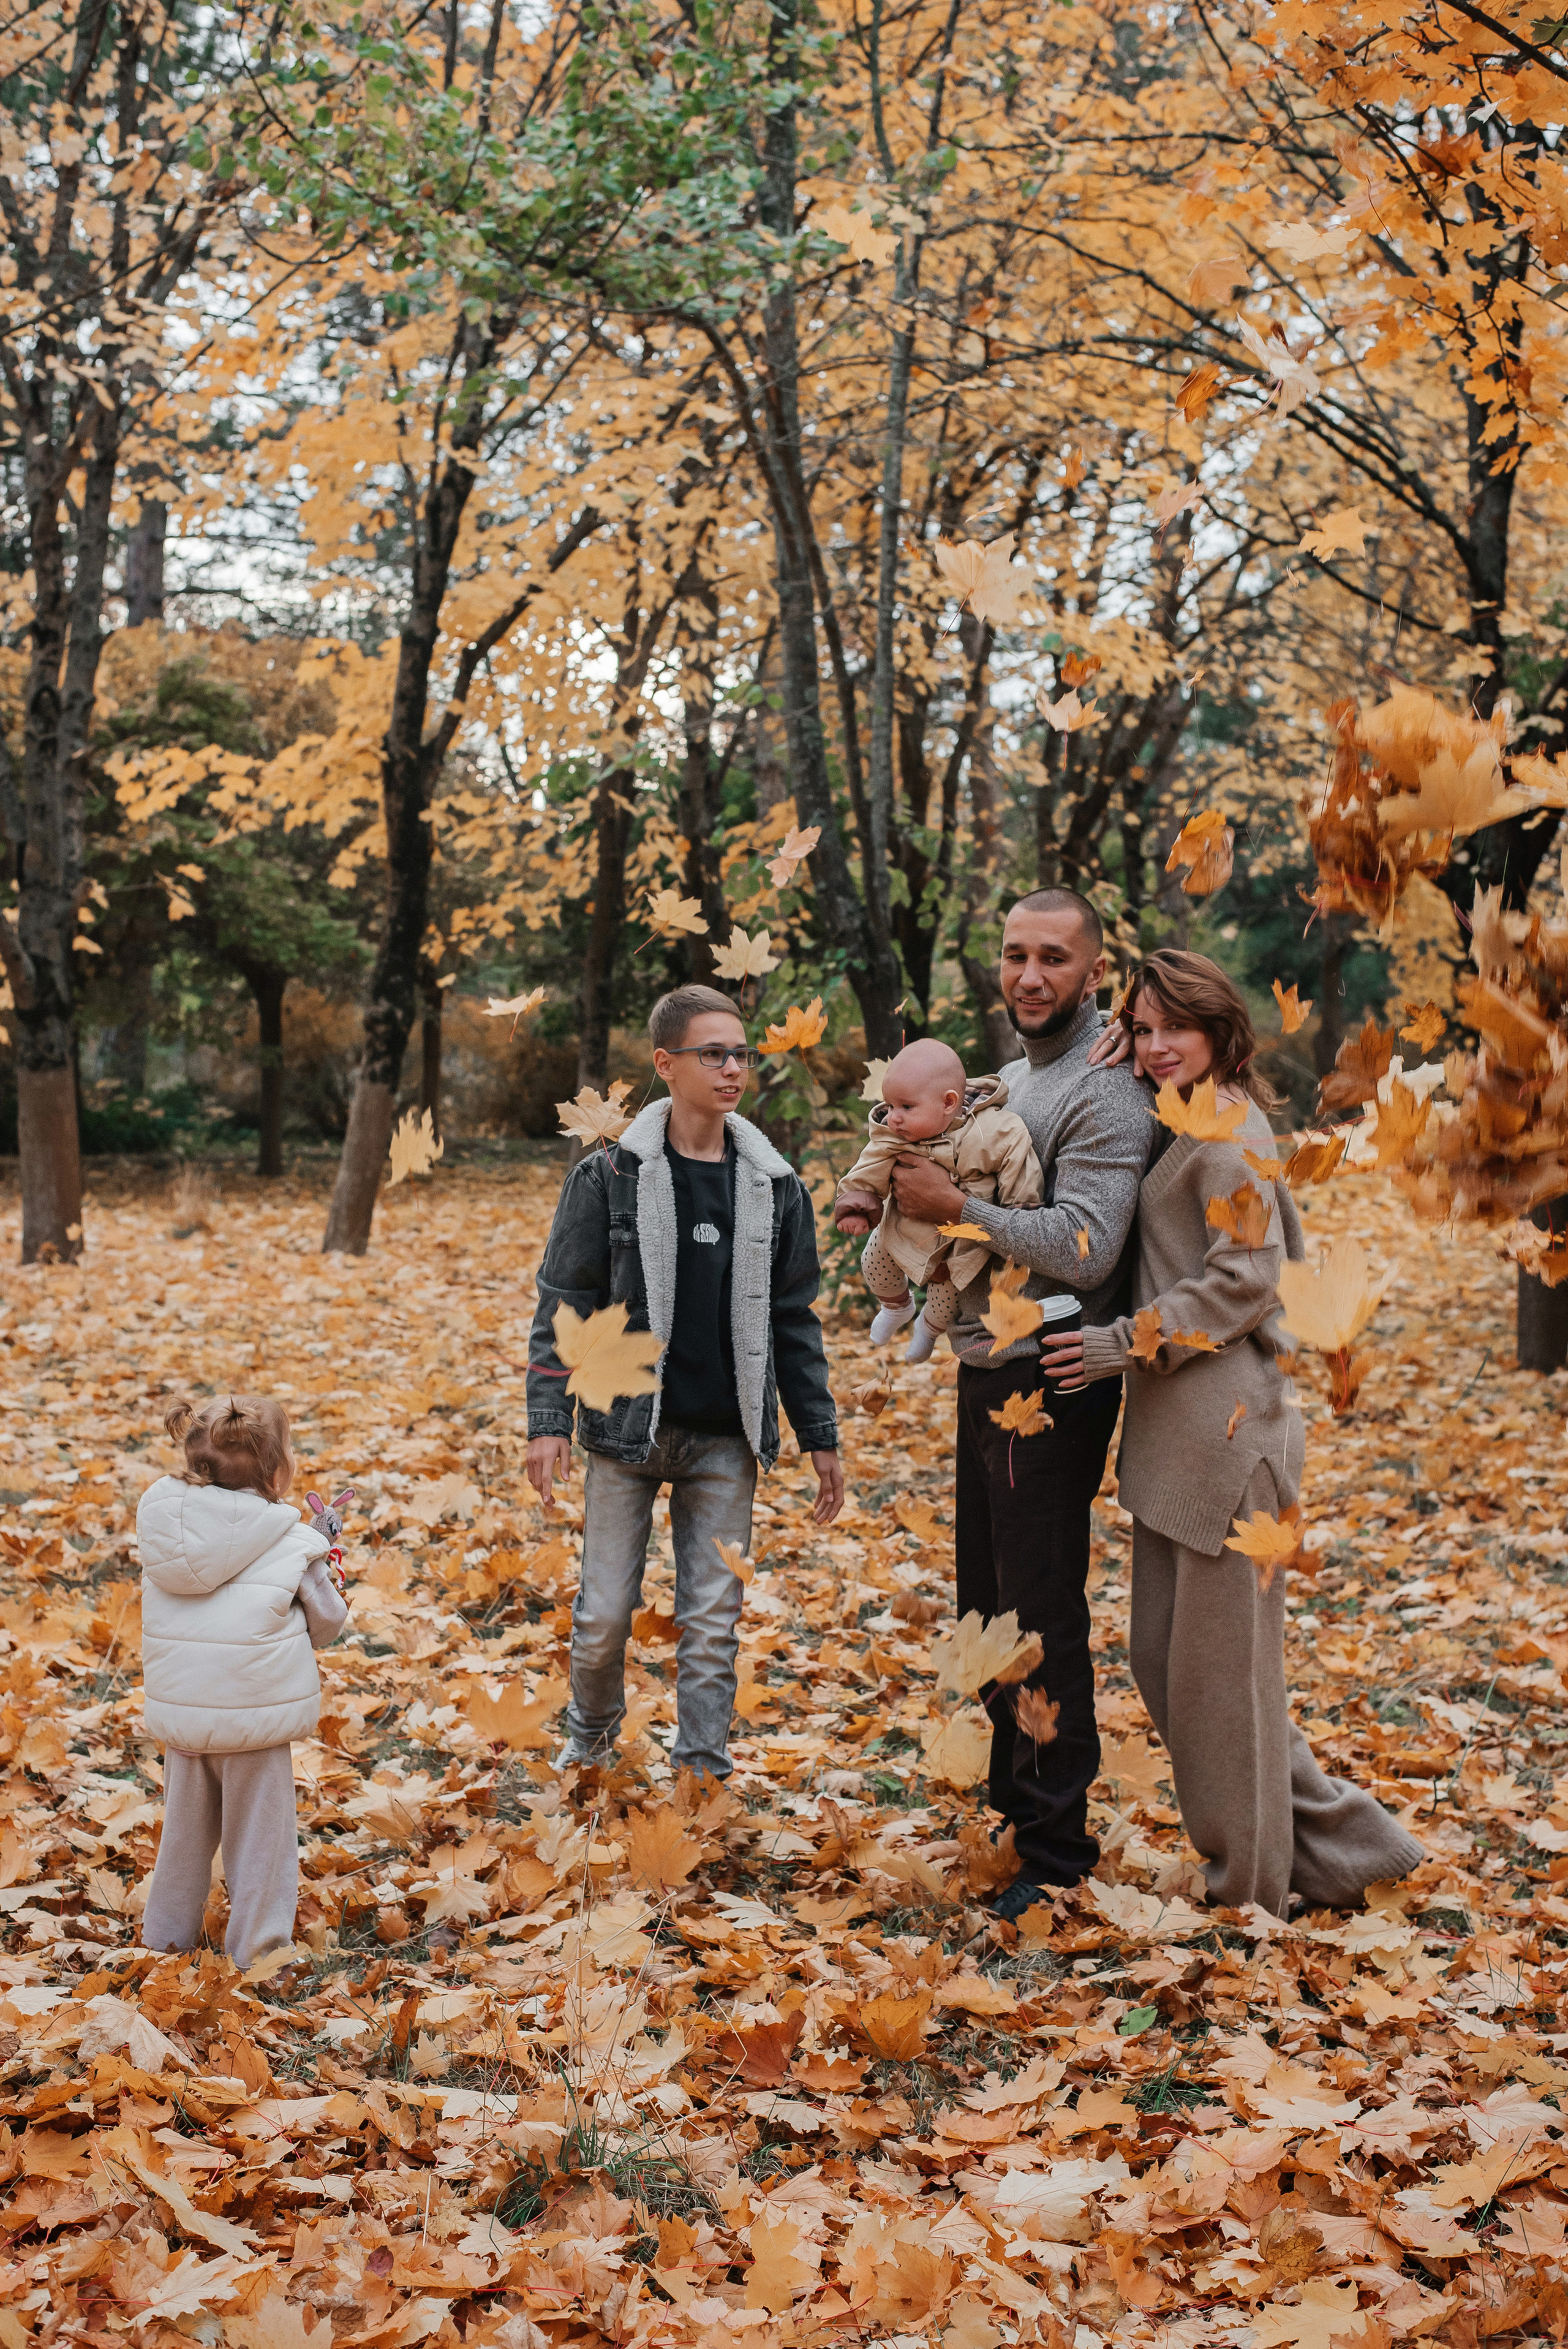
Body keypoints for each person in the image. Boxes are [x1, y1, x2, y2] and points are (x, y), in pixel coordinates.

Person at [1047, 950, 1423, 1914]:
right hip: (1183, 1439)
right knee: (1180, 1670)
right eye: (1143, 1025)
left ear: (1220, 1030)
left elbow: (1246, 1278)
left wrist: (1120, 1342)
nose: (1159, 1043)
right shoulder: (1188, 1118)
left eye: (1179, 1026)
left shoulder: (1234, 1130)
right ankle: (1348, 1850)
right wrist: (1109, 1053)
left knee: (1218, 1686)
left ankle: (1249, 1892)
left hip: (1230, 1434)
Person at [883, 890, 1152, 1918]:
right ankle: (1014, 1803)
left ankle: (1054, 1854)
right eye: (1014, 953)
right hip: (994, 1362)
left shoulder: (1105, 1089)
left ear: (1095, 972)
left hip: (1052, 1374)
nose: (1029, 973)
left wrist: (962, 1209)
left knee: (1037, 1610)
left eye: (1054, 958)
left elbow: (1089, 1243)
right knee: (988, 1600)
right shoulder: (1027, 1076)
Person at [527, 984, 843, 1781]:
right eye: (714, 1053)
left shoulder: (776, 1186)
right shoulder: (610, 1176)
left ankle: (702, 1769)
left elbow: (794, 1316)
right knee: (602, 1618)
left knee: (712, 1621)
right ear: (667, 1064)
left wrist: (819, 1434)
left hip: (726, 1438)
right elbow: (564, 1299)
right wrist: (546, 1420)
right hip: (624, 1430)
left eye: (741, 1052)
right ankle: (592, 1734)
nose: (734, 1067)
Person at [138, 1394, 350, 1966]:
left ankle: (165, 1939)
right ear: (278, 1472)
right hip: (254, 1724)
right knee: (261, 1844)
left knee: (183, 1839)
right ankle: (260, 1955)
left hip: (185, 1719)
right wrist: (325, 1557)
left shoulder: (166, 1537)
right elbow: (328, 1623)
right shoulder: (293, 1542)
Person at [834, 1037, 1044, 1363]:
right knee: (873, 1261)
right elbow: (870, 1164)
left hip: (960, 1244)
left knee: (948, 1297)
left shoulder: (995, 1131)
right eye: (889, 1107)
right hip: (905, 1226)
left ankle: (929, 1330)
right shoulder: (896, 1136)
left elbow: (1019, 1164)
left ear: (948, 1103)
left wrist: (1022, 1206)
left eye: (906, 1107)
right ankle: (896, 1307)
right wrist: (857, 1202)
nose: (893, 1118)